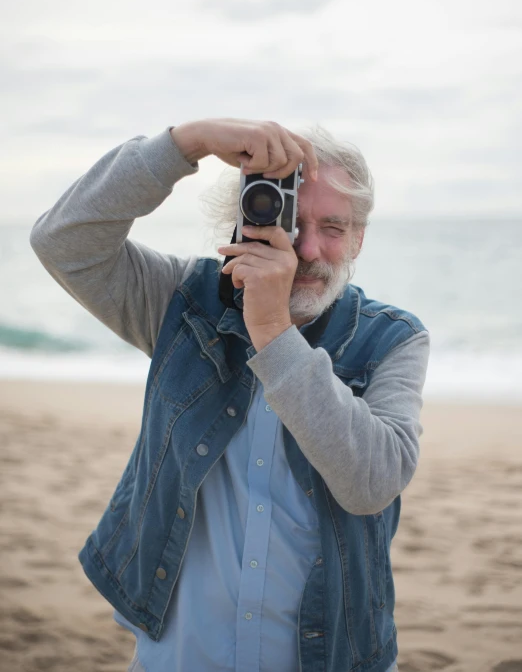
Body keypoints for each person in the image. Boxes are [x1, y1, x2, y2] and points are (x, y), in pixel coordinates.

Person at [30, 118, 429, 672]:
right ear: (244, 220)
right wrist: (183, 144)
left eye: (334, 228)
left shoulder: (392, 338)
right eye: (289, 220)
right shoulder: (184, 301)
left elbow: (372, 482)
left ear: (359, 237)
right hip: (181, 654)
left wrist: (272, 332)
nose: (308, 249)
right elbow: (63, 240)